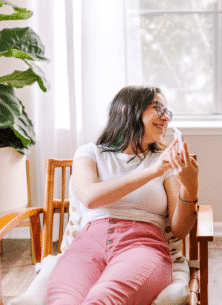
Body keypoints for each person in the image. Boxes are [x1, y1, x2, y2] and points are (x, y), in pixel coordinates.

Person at [45, 86, 199, 305]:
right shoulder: (90, 153)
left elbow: (180, 229)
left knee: (103, 299)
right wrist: (151, 172)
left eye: (168, 112)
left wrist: (190, 188)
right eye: (159, 108)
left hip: (142, 246)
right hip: (87, 245)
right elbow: (90, 197)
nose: (166, 118)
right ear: (128, 110)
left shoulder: (164, 162)